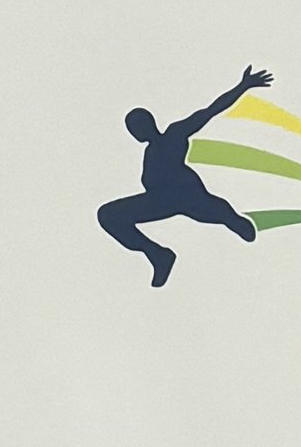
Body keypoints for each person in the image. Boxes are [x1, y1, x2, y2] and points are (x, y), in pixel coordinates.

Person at [97, 66, 270, 290]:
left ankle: (234, 221)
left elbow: (209, 111)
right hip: (159, 201)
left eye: (137, 126)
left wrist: (242, 87)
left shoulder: (173, 135)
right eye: (131, 129)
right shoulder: (149, 154)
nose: (135, 132)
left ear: (148, 123)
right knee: (108, 215)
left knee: (225, 216)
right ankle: (158, 254)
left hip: (187, 196)